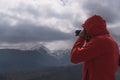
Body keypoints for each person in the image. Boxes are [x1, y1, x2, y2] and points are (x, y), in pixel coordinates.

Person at [70, 15, 119, 80]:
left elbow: (74, 57)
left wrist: (81, 37)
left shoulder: (100, 41)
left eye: (85, 29)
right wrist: (89, 39)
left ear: (91, 28)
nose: (85, 31)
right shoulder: (111, 41)